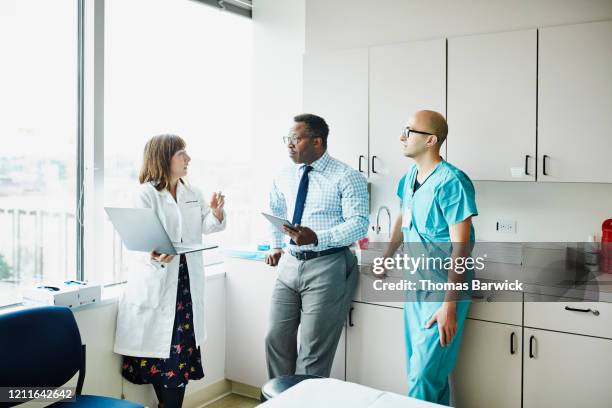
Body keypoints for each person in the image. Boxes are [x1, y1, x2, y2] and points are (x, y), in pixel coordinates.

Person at [114, 134, 226, 408]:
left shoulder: (192, 192)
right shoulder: (144, 194)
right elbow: (136, 239)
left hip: (186, 284)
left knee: (181, 356)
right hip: (159, 282)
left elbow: (207, 226)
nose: (188, 159)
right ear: (164, 157)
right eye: (181, 154)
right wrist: (153, 252)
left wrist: (217, 212)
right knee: (160, 357)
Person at [381, 110, 478, 405]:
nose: (402, 136)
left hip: (443, 289)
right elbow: (403, 217)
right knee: (424, 373)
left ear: (430, 140)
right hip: (416, 286)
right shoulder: (410, 177)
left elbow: (462, 248)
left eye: (409, 131)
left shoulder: (452, 182)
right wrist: (387, 255)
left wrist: (449, 305)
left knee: (422, 375)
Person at [264, 114, 369, 378]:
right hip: (289, 263)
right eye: (287, 139)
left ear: (317, 142)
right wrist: (276, 245)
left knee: (313, 352)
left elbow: (358, 224)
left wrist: (317, 237)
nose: (289, 144)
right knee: (275, 340)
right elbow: (275, 208)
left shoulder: (347, 176)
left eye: (295, 139)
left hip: (328, 264)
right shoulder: (284, 175)